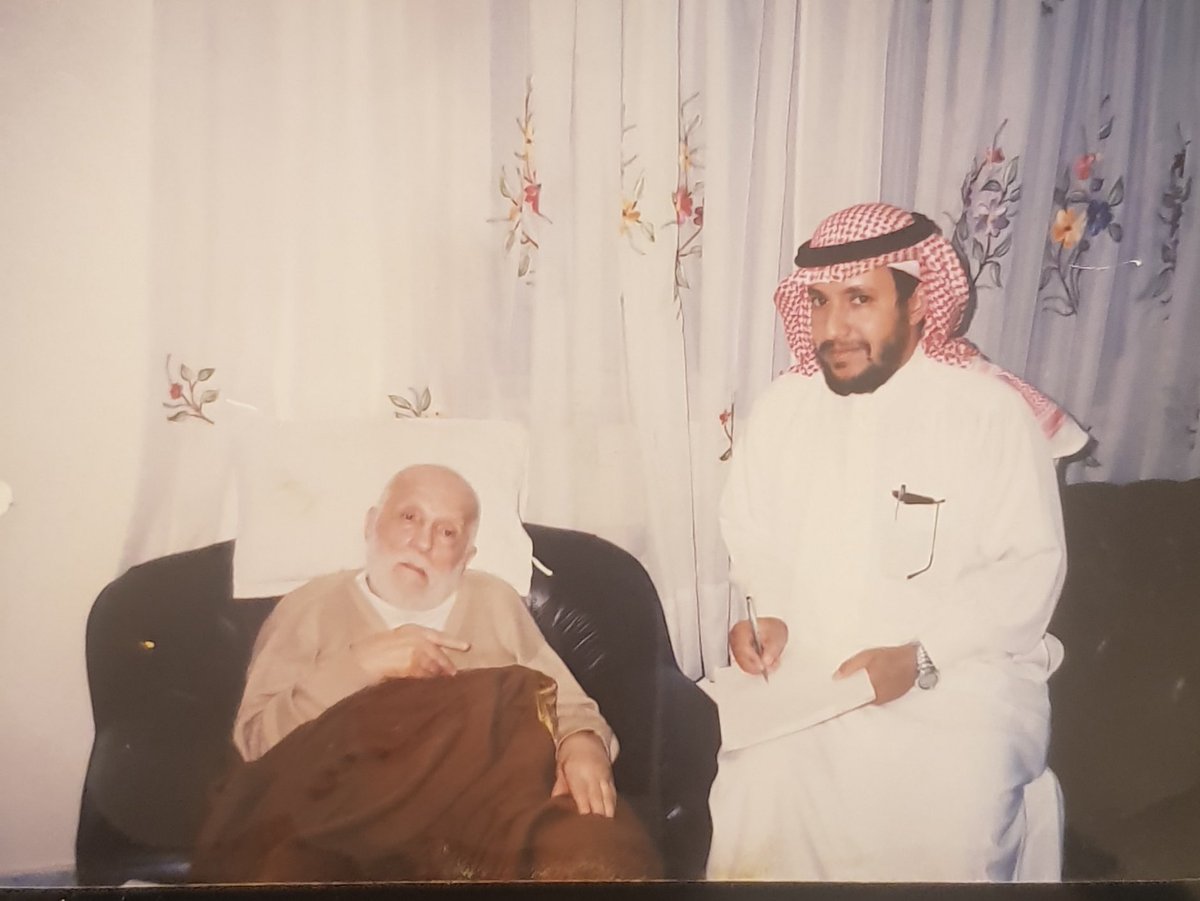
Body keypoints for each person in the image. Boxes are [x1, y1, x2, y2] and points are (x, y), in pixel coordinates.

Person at [706, 202, 1086, 882]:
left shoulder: (987, 412)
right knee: (760, 792)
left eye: (859, 299)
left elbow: (1028, 569)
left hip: (961, 678)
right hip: (816, 673)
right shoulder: (785, 409)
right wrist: (768, 617)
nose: (832, 327)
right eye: (819, 301)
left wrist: (921, 655)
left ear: (918, 302)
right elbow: (753, 535)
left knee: (951, 815)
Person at [195, 463, 658, 881]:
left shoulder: (493, 601)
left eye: (447, 531)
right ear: (370, 524)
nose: (423, 541)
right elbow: (255, 743)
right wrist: (361, 665)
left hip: (485, 814)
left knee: (599, 853)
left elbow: (566, 701)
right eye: (409, 517)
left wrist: (583, 742)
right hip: (344, 820)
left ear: (467, 556)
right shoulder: (310, 607)